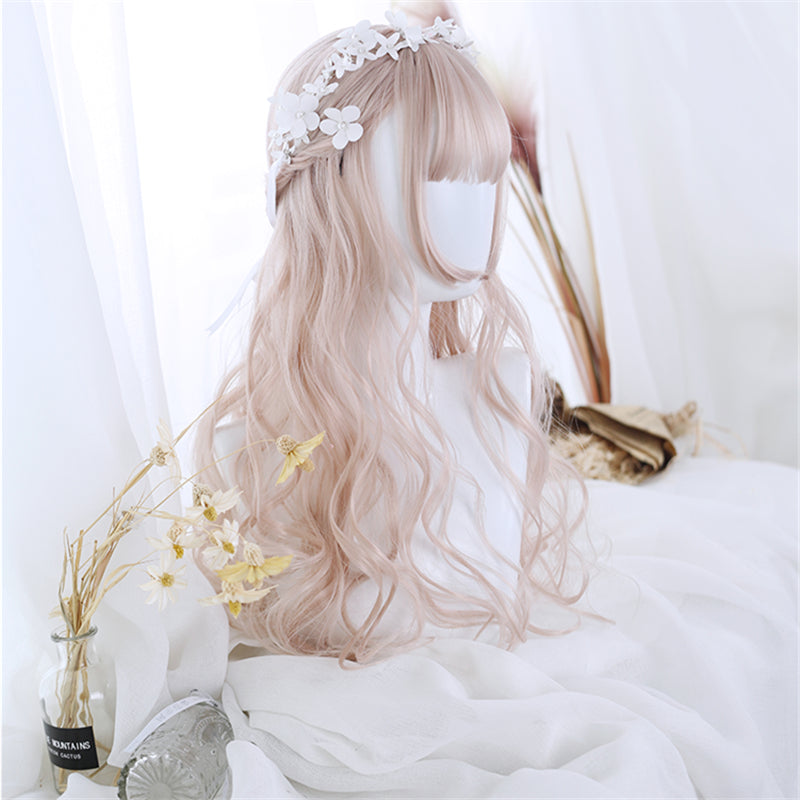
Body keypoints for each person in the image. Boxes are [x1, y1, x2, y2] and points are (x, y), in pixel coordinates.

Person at [197, 13, 590, 663]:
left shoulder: (504, 389)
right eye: (438, 174)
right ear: (330, 188)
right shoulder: (244, 452)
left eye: (487, 175)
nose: (478, 210)